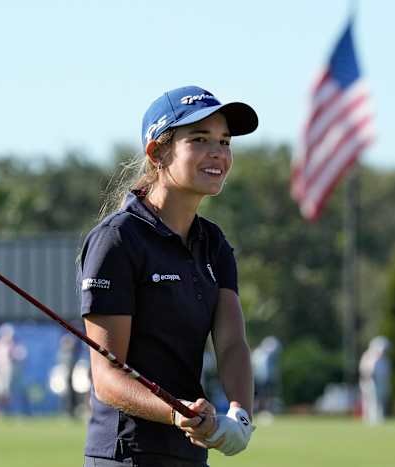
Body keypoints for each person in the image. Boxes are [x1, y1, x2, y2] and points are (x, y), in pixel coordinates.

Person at [80, 85, 258, 466]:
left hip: (189, 453)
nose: (218, 153)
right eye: (200, 139)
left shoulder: (214, 244)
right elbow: (107, 376)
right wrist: (175, 412)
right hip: (126, 455)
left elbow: (232, 344)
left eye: (225, 142)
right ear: (157, 152)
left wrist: (240, 415)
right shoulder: (117, 240)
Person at [359, 335, 391, 425]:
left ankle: (379, 417)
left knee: (380, 400)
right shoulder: (368, 356)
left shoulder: (384, 359)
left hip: (380, 382)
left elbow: (386, 373)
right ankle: (370, 419)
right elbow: (364, 370)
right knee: (370, 400)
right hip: (370, 381)